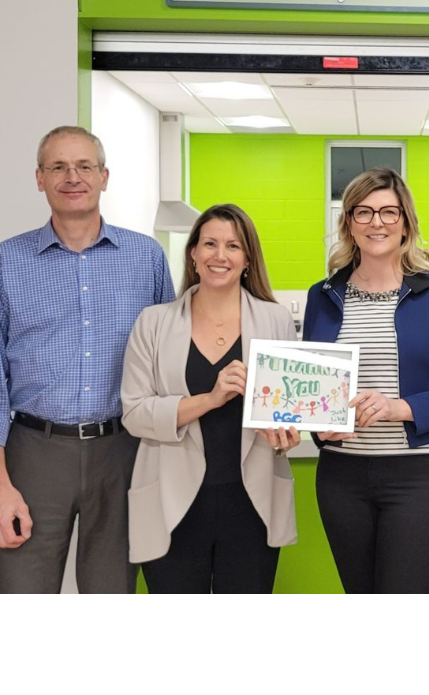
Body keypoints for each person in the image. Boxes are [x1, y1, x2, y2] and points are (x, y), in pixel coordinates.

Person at [0, 126, 175, 593]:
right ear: (39, 178)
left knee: (112, 585)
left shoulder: (146, 257)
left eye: (84, 166)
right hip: (32, 452)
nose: (72, 177)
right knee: (21, 584)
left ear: (104, 176)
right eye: (58, 167)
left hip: (122, 451)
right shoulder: (6, 261)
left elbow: (170, 360)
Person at [302, 167, 429, 594]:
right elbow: (313, 389)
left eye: (389, 212)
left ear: (406, 222)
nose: (376, 222)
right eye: (363, 212)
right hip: (342, 475)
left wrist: (396, 407)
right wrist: (318, 427)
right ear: (349, 222)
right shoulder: (323, 296)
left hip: (418, 474)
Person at [121, 204, 299, 593]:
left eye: (233, 246)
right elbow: (134, 412)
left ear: (248, 259)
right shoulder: (153, 322)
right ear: (193, 254)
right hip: (172, 502)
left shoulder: (276, 320)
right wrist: (210, 398)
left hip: (251, 502)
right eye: (210, 244)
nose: (220, 255)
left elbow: (286, 410)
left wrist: (286, 434)